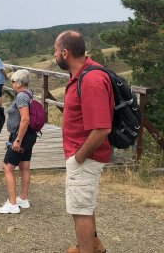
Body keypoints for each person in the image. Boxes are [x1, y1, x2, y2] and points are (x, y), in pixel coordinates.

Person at [54, 30, 113, 253]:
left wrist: (78, 158)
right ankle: (93, 245)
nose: (55, 55)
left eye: (56, 51)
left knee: (80, 212)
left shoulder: (91, 80)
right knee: (83, 207)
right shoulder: (83, 73)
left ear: (65, 53)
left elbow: (101, 129)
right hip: (81, 154)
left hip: (85, 157)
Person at [0, 69, 37, 214]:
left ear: (19, 83)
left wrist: (17, 140)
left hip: (21, 136)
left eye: (13, 81)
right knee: (24, 166)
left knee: (7, 167)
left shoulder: (21, 97)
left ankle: (12, 203)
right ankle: (23, 199)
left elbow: (25, 119)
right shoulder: (29, 93)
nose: (12, 83)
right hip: (31, 135)